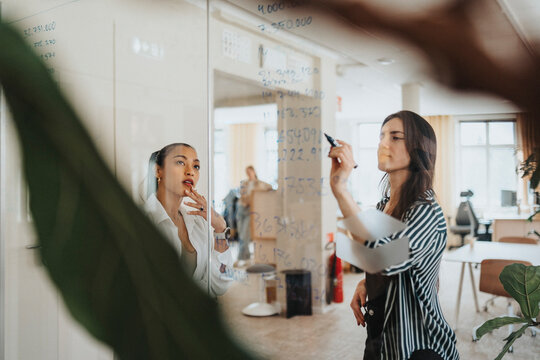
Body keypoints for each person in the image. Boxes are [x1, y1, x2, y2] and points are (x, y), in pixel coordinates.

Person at [328, 111, 458, 360]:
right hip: (381, 338)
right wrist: (367, 282)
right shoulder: (383, 206)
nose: (383, 143)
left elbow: (383, 258)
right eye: (381, 136)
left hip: (419, 345)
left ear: (419, 149)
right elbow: (371, 255)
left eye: (395, 137)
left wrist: (341, 189)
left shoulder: (426, 211)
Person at [144, 143, 233, 297]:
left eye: (196, 166)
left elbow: (218, 286)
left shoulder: (197, 222)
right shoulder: (145, 221)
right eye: (180, 162)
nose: (190, 172)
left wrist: (219, 229)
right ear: (158, 170)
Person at [235, 166, 272, 264]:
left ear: (254, 171)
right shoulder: (244, 182)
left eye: (250, 171)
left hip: (250, 210)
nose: (248, 173)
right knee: (241, 233)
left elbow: (269, 187)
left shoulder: (259, 183)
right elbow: (241, 194)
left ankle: (241, 259)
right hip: (240, 209)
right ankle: (246, 257)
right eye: (247, 172)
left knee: (244, 234)